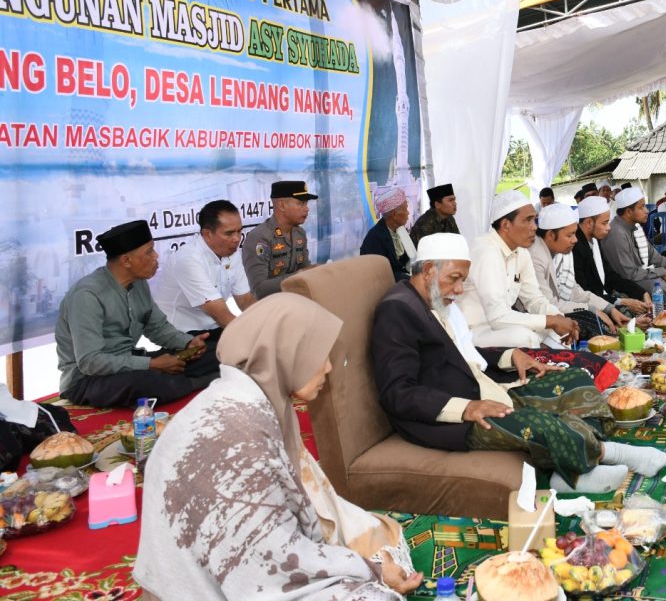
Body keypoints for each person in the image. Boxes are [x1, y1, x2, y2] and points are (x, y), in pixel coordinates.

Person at [135, 294, 422, 599]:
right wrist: (369, 569)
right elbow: (270, 566)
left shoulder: (241, 400)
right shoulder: (240, 435)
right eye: (317, 356)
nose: (327, 368)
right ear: (285, 354)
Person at [370, 233, 666, 494]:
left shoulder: (434, 299)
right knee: (538, 424)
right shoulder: (398, 311)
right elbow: (398, 393)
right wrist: (466, 408)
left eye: (462, 280)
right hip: (448, 417)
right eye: (455, 279)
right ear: (428, 270)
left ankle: (572, 459)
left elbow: (459, 352)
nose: (460, 290)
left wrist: (508, 355)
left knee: (574, 378)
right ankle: (605, 456)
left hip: (481, 388)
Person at [55, 221, 212, 408]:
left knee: (213, 353)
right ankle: (204, 382)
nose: (156, 256)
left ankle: (194, 380)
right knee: (152, 382)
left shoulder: (138, 283)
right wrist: (151, 364)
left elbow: (157, 328)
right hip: (87, 380)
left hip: (131, 364)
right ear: (126, 261)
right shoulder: (87, 296)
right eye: (149, 252)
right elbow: (90, 362)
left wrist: (187, 343)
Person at [458, 190, 579, 349]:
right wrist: (551, 321)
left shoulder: (521, 252)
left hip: (503, 327)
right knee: (525, 337)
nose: (534, 227)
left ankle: (561, 361)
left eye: (534, 220)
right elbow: (498, 317)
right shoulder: (486, 250)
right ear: (506, 225)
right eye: (528, 220)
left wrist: (560, 319)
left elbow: (535, 300)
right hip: (475, 332)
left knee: (555, 329)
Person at [153, 200, 256, 344]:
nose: (237, 239)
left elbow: (245, 300)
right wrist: (258, 337)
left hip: (214, 328)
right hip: (180, 335)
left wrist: (267, 323)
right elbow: (219, 313)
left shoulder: (233, 253)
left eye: (239, 231)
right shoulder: (188, 260)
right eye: (229, 233)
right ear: (207, 234)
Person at [529, 204, 627, 338]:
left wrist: (608, 308)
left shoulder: (558, 252)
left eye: (575, 234)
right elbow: (548, 305)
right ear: (551, 235)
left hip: (556, 309)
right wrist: (590, 309)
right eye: (570, 235)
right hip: (538, 317)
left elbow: (574, 290)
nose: (575, 240)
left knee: (607, 314)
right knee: (589, 322)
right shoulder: (536, 256)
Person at [600, 186, 666, 298]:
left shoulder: (636, 227)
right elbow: (629, 274)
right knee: (663, 290)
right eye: (642, 207)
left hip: (641, 273)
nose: (647, 211)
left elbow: (655, 257)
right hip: (626, 281)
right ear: (629, 212)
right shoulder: (616, 233)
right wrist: (662, 272)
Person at [571, 196, 654, 313]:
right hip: (588, 305)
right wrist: (622, 302)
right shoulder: (575, 247)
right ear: (589, 223)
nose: (609, 227)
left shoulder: (594, 241)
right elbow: (585, 293)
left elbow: (610, 276)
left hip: (602, 297)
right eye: (604, 223)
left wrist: (642, 292)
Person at [242, 180, 317, 298]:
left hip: (297, 302)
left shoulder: (299, 233)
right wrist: (299, 276)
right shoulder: (259, 238)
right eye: (301, 203)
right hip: (271, 309)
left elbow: (305, 269)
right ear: (282, 205)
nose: (307, 209)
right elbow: (259, 290)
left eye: (306, 204)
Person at [361, 186, 417, 281]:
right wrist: (412, 280)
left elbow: (408, 259)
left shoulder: (400, 230)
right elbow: (381, 275)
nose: (408, 213)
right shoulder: (375, 239)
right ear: (395, 214)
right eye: (406, 209)